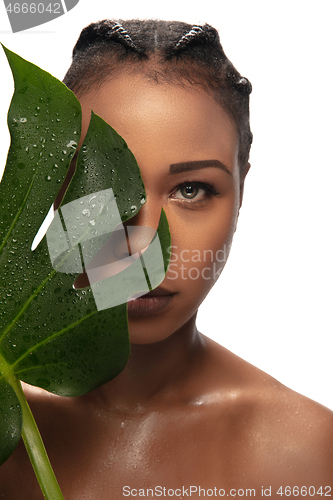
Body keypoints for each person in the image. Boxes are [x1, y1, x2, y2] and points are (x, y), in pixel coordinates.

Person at [0, 19, 332, 500]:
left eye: (191, 190)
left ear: (241, 190)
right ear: (55, 188)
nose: (143, 243)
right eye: (104, 186)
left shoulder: (305, 454)